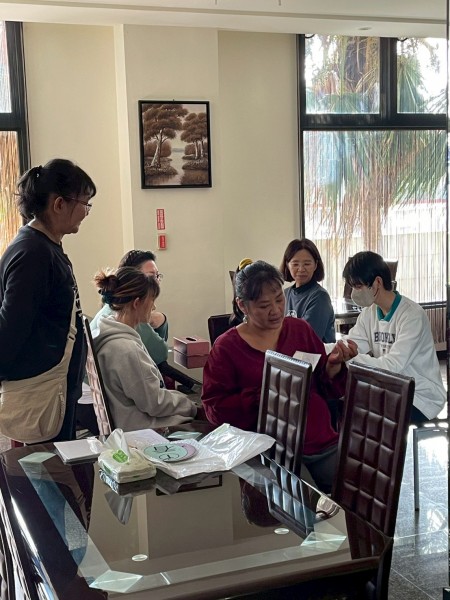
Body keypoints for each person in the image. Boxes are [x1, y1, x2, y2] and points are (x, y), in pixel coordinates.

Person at [201, 260, 357, 493]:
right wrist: (266, 395)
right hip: (267, 452)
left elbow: (325, 386)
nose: (275, 310)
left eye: (279, 299)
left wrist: (333, 366)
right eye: (264, 305)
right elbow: (214, 408)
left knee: (354, 496)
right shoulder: (227, 347)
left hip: (319, 441)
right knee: (296, 504)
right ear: (242, 305)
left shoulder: (299, 329)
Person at [0, 158, 96, 442]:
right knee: (45, 468)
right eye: (85, 202)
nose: (86, 212)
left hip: (52, 390)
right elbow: (10, 329)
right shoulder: (34, 254)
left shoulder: (41, 246)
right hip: (39, 394)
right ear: (59, 204)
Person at [342, 251, 446, 423]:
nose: (354, 293)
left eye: (358, 286)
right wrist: (327, 349)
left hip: (420, 396)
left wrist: (350, 358)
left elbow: (392, 366)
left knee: (364, 416)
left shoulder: (411, 315)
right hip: (391, 389)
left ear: (377, 282)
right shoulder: (369, 313)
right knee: (345, 406)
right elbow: (351, 343)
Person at [91, 266, 198, 431]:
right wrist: (190, 404)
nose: (153, 307)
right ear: (137, 303)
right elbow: (155, 403)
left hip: (123, 422)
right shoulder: (126, 350)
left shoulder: (106, 332)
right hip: (141, 430)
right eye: (152, 300)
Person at [91, 249, 197, 393]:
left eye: (157, 276)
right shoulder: (126, 317)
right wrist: (162, 321)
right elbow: (159, 354)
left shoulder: (112, 310)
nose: (156, 282)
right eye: (151, 276)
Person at [280, 238, 335, 343]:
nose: (301, 269)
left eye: (307, 264)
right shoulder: (285, 294)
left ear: (315, 265)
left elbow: (306, 340)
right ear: (287, 265)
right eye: (295, 264)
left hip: (315, 353)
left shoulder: (320, 297)